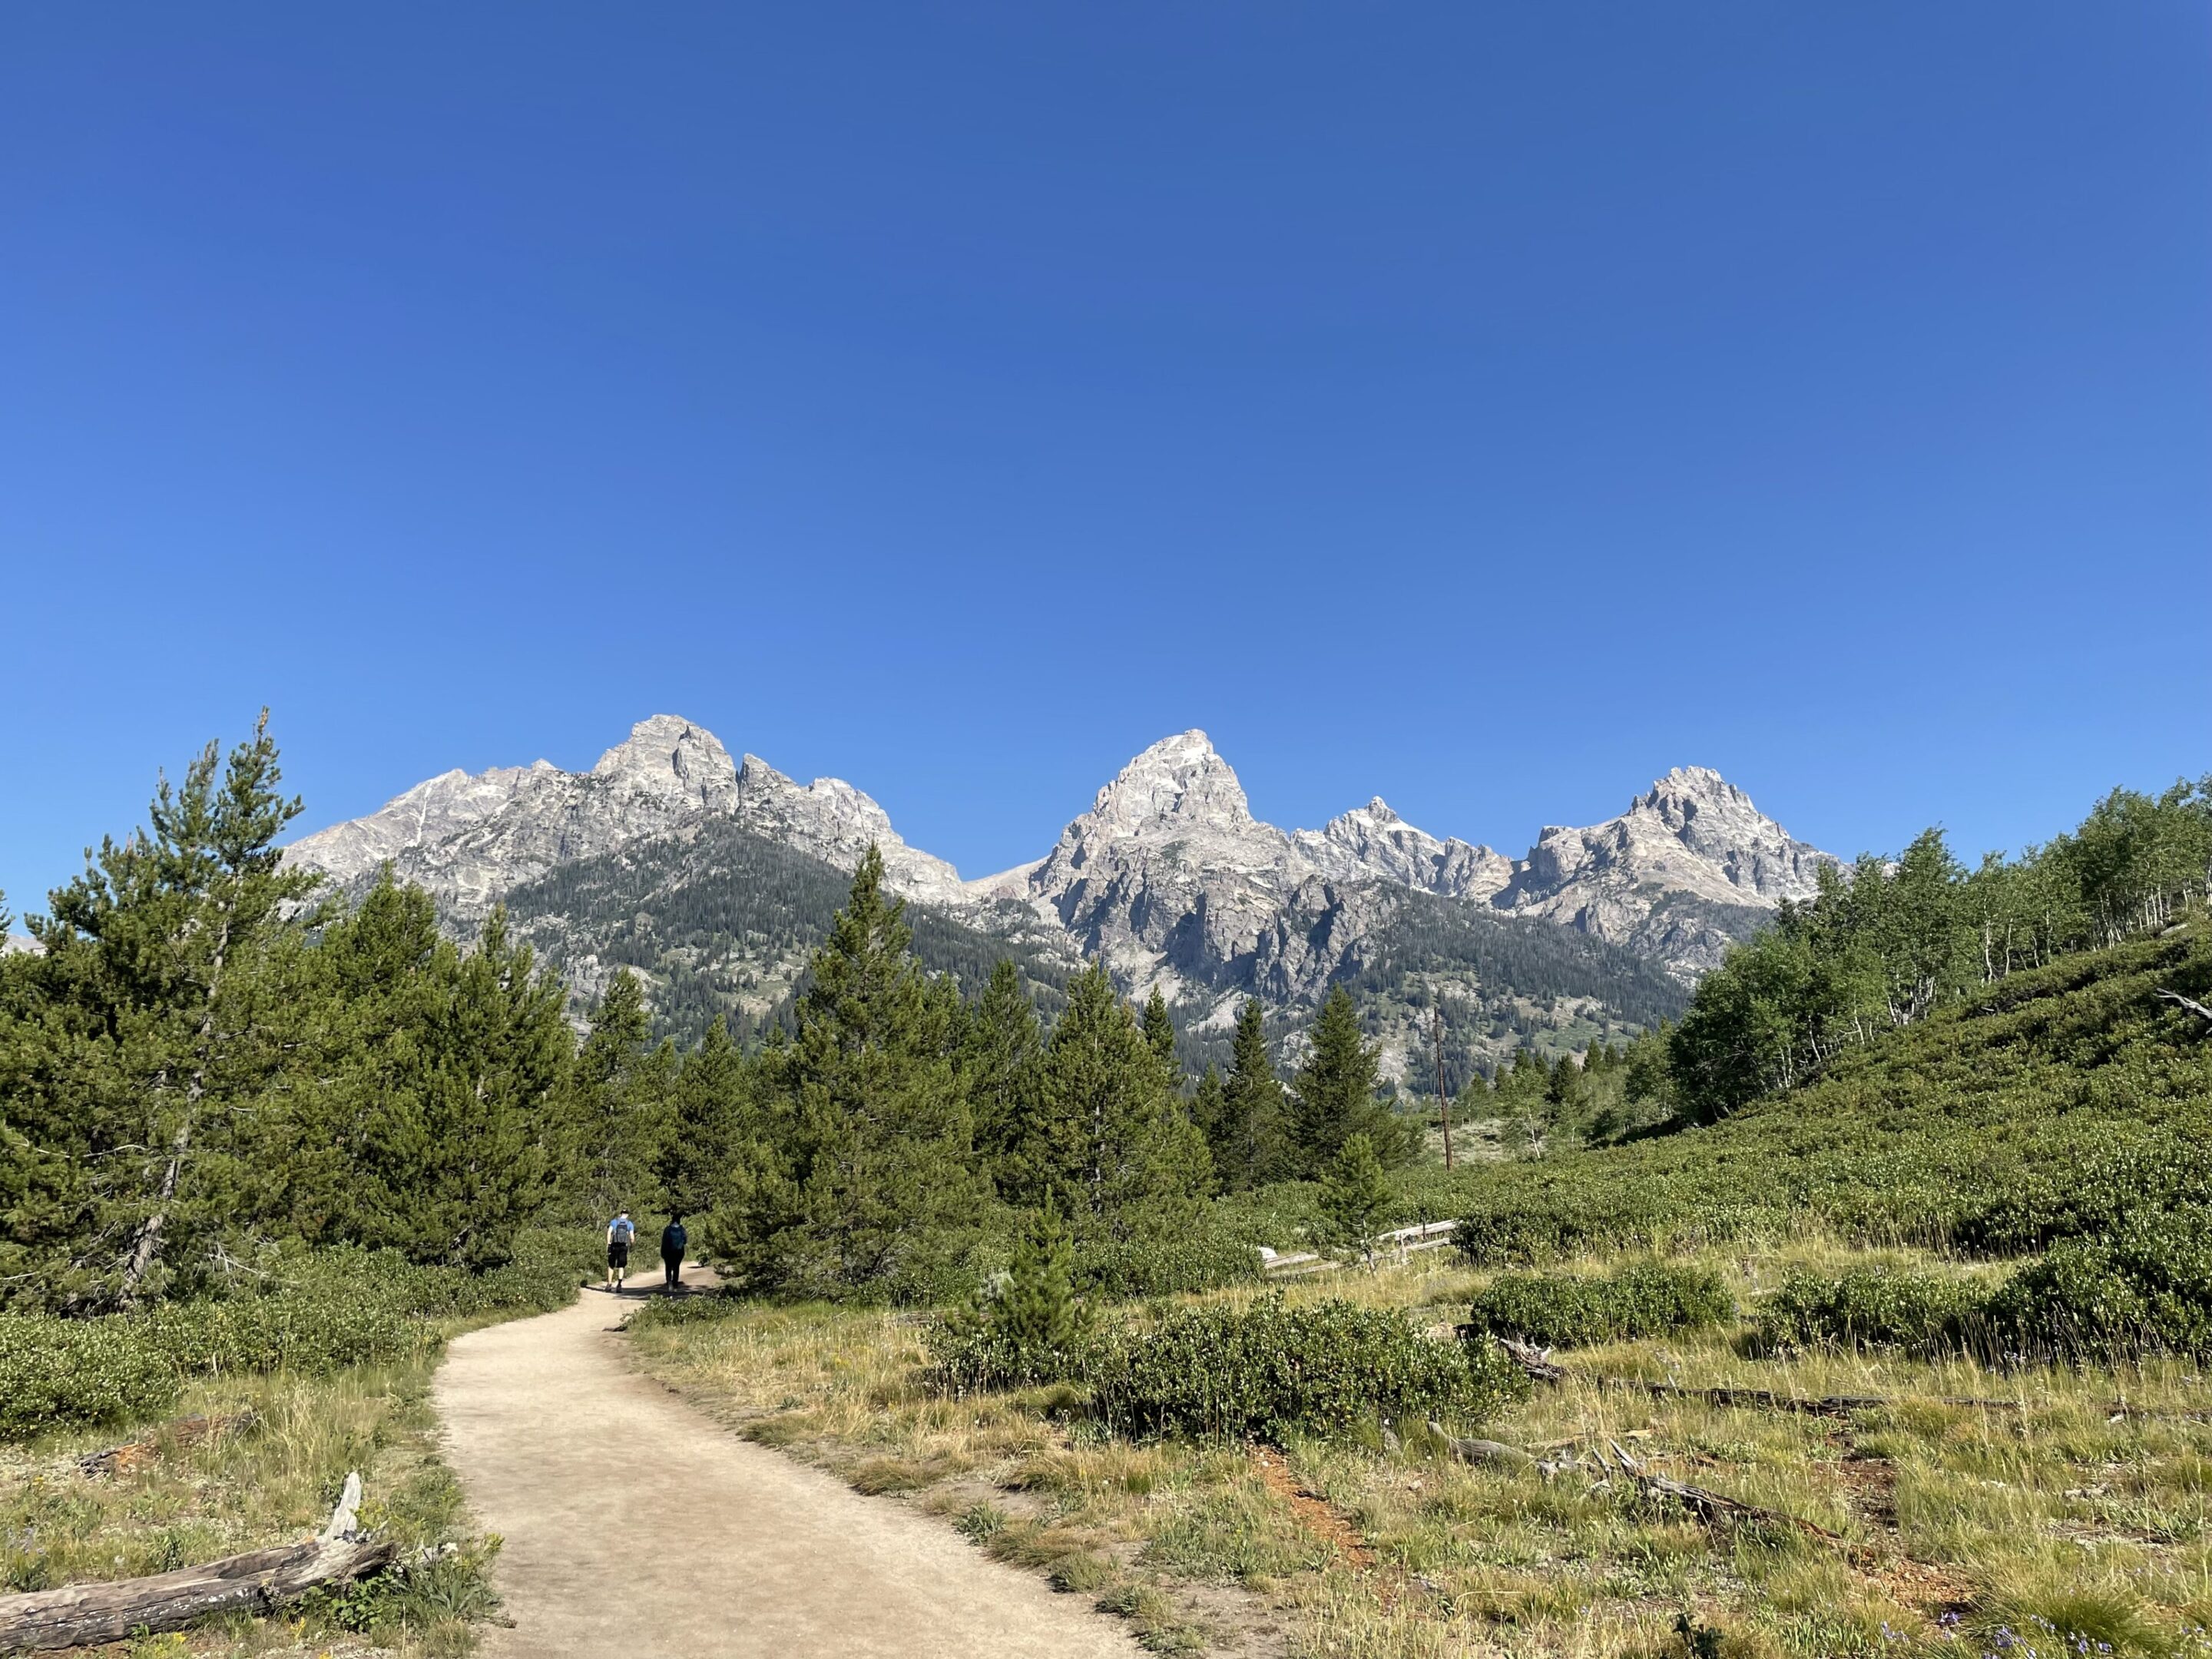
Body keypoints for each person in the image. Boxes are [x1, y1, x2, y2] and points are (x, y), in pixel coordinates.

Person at [605, 1210, 637, 1294]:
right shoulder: (629, 1224)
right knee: (621, 1266)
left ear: (620, 1214)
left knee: (611, 1264)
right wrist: (632, 1244)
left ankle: (609, 1284)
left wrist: (608, 1244)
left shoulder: (614, 1222)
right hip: (624, 1246)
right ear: (627, 1215)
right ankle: (619, 1285)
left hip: (614, 1245)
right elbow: (632, 1237)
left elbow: (609, 1233)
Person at [661, 1214, 688, 1290]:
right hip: (679, 1252)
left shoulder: (667, 1229)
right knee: (676, 1267)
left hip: (668, 1251)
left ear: (672, 1220)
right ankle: (675, 1284)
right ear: (679, 1221)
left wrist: (662, 1252)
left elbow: (664, 1242)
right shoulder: (682, 1229)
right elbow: (685, 1241)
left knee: (668, 1267)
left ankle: (669, 1283)